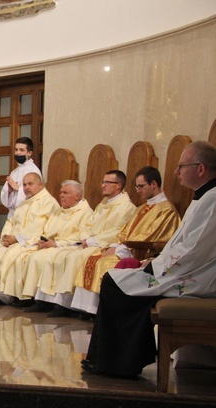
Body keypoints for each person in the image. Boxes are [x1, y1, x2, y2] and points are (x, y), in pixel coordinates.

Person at [83, 141, 216, 377]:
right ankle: (112, 359)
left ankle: (117, 363)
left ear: (201, 169)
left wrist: (155, 264)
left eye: (181, 166)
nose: (176, 172)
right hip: (185, 270)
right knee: (115, 280)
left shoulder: (213, 200)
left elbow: (194, 249)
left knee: (114, 284)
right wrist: (154, 261)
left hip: (197, 276)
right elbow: (182, 243)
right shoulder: (203, 197)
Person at [70, 166, 180, 316]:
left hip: (144, 254)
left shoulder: (166, 210)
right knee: (93, 258)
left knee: (104, 263)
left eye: (141, 186)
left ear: (154, 184)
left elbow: (148, 238)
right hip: (127, 249)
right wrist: (115, 245)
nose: (137, 190)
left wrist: (120, 248)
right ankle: (87, 309)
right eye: (136, 187)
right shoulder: (142, 208)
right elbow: (124, 232)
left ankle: (101, 311)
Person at [30, 170, 137, 316]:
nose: (103, 185)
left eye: (107, 182)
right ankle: (53, 301)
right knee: (61, 256)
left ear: (118, 185)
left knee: (72, 258)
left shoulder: (128, 208)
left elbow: (119, 231)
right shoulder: (102, 205)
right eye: (103, 182)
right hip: (89, 244)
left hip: (104, 246)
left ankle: (71, 305)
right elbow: (89, 225)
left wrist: (92, 240)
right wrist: (85, 238)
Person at [0, 180, 93, 306]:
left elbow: (81, 236)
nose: (61, 195)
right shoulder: (59, 211)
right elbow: (46, 230)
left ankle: (56, 302)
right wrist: (43, 241)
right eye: (61, 192)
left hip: (70, 247)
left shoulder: (86, 212)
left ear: (77, 196)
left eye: (65, 193)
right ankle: (30, 297)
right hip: (52, 246)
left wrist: (56, 244)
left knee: (43, 258)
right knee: (30, 256)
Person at [0, 172, 60, 305]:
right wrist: (6, 237)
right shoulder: (24, 203)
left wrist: (17, 239)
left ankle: (10, 294)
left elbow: (39, 227)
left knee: (13, 257)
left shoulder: (48, 202)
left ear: (40, 184)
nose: (26, 188)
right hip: (14, 240)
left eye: (30, 184)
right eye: (24, 185)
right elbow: (10, 221)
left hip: (30, 242)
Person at [1, 137, 42, 218]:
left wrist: (18, 189)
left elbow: (36, 194)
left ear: (29, 153)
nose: (18, 153)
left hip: (27, 215)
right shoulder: (14, 172)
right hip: (13, 215)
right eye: (16, 150)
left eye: (21, 150)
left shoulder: (33, 171)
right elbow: (6, 200)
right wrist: (9, 191)